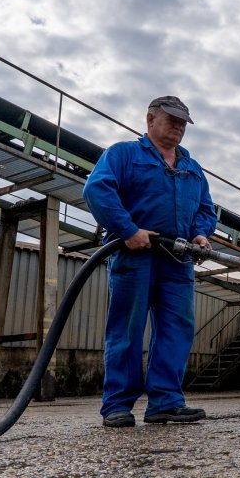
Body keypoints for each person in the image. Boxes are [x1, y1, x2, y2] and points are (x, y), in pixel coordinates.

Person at [83, 95, 217, 428]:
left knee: (177, 329)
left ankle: (165, 402)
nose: (179, 127)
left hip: (178, 259)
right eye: (172, 120)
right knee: (126, 328)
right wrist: (127, 229)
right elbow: (97, 189)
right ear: (150, 119)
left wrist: (200, 235)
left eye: (183, 122)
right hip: (135, 255)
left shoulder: (192, 167)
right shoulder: (124, 154)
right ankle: (117, 405)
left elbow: (205, 209)